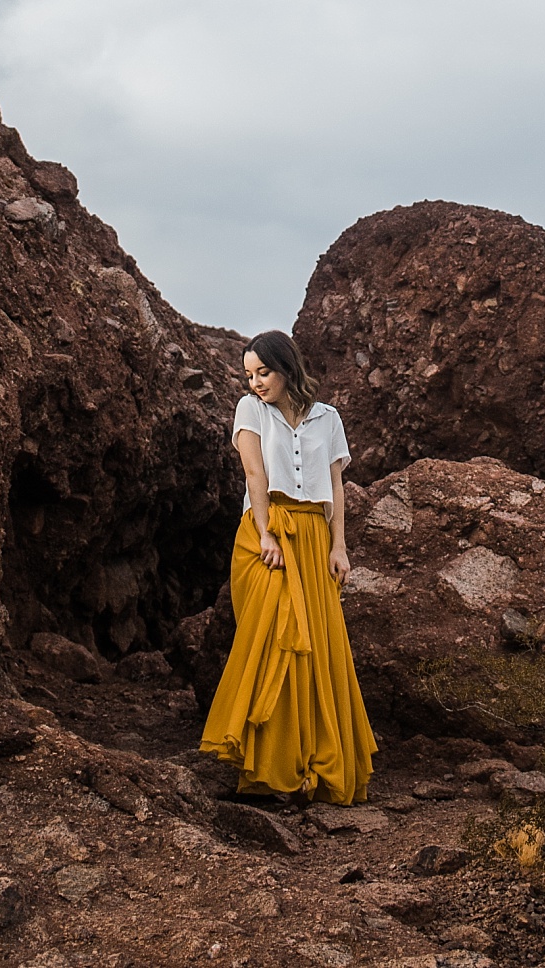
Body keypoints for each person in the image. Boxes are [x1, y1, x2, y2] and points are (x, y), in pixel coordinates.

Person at [199, 330, 376, 806]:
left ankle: (303, 767)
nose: (255, 382)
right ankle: (266, 769)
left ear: (287, 368)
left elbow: (335, 487)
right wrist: (265, 534)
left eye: (263, 372)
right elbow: (255, 473)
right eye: (249, 375)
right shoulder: (250, 410)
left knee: (314, 647)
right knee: (277, 635)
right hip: (266, 530)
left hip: (315, 537)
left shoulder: (328, 418)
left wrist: (339, 546)